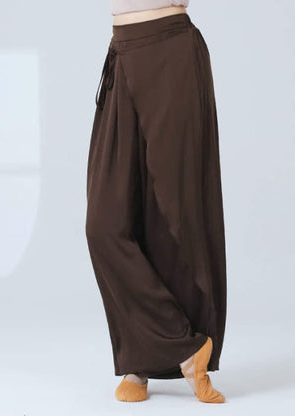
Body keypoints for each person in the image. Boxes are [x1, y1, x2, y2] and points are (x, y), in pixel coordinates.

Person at [85, 0, 227, 403]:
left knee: (173, 213)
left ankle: (147, 363)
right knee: (105, 222)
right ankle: (176, 346)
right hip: (121, 52)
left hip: (170, 51)